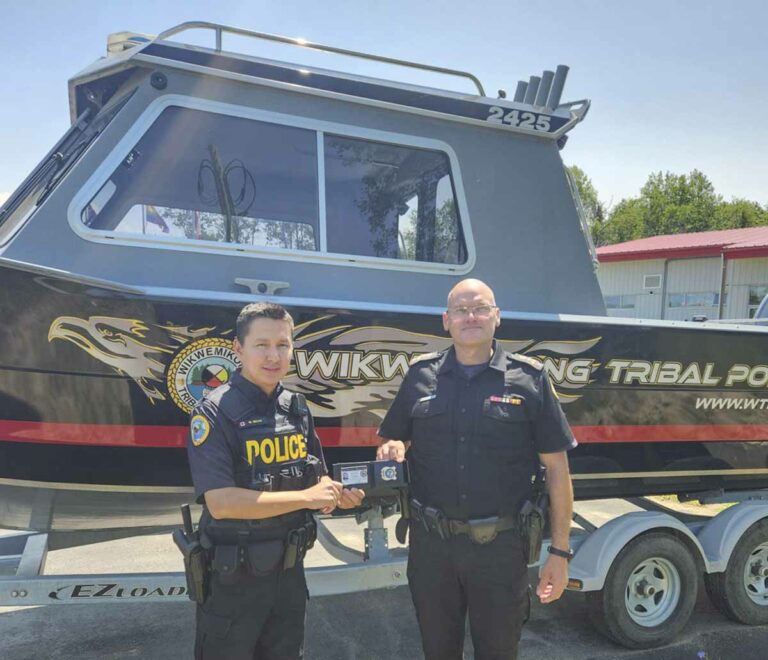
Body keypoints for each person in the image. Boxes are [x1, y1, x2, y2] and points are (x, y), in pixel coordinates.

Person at [377, 278, 576, 660]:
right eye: (461, 310)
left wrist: (560, 552)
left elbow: (556, 469)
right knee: (438, 651)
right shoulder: (420, 376)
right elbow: (395, 438)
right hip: (432, 548)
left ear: (497, 317)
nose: (471, 316)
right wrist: (393, 446)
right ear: (446, 320)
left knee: (499, 652)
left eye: (481, 308)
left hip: (500, 551)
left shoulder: (529, 379)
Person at [187, 302, 364, 660]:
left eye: (283, 345)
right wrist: (307, 498)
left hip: (288, 574)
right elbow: (221, 503)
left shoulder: (296, 407)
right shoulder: (212, 412)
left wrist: (335, 497)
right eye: (262, 345)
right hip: (233, 578)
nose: (274, 355)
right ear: (238, 349)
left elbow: (316, 480)